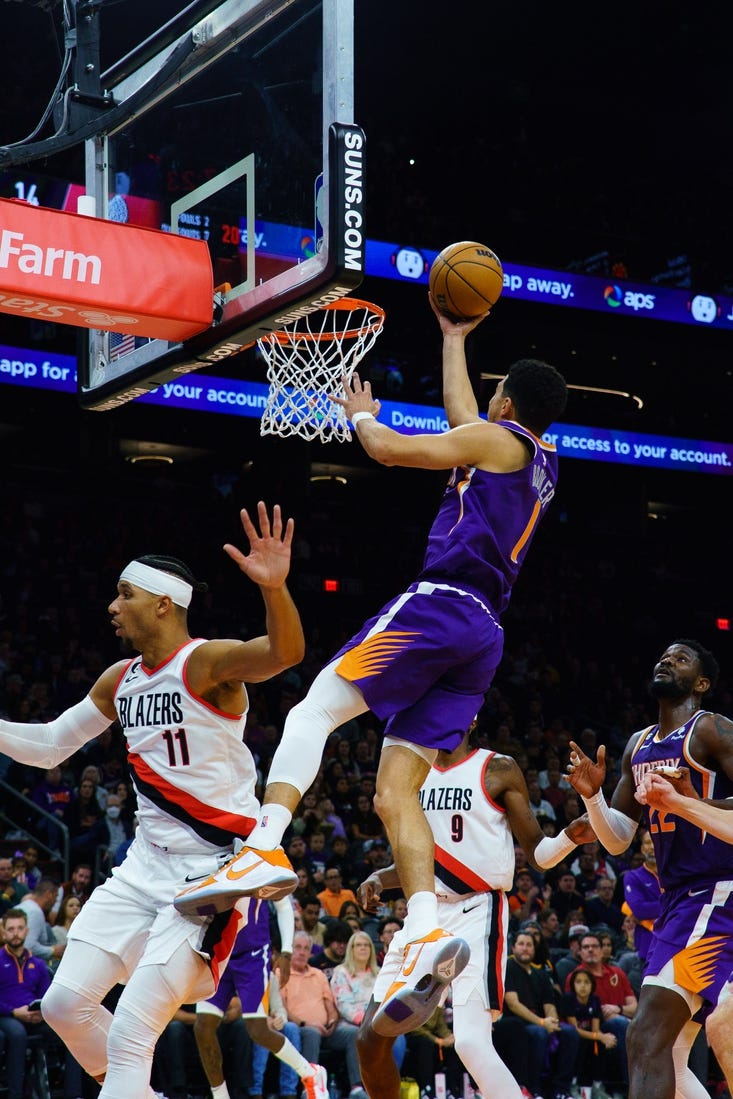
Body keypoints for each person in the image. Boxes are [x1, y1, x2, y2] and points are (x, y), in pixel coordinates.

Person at [176, 302, 569, 1036]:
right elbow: (463, 416)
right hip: (482, 634)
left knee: (311, 710)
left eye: (492, 396)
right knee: (395, 793)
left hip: (441, 603)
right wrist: (454, 338)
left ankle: (262, 842)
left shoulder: (493, 437)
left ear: (506, 402)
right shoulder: (535, 458)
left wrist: (361, 415)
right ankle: (423, 923)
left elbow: (391, 450)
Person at [0, 502, 305, 1099]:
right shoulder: (121, 679)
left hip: (211, 873)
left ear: (164, 603)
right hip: (142, 866)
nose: (113, 607)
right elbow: (51, 746)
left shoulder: (207, 663)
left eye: (125, 595)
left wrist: (275, 587)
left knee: (133, 1032)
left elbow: (284, 653)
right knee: (63, 1005)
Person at [353, 724, 592, 1099]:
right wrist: (379, 879)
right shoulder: (411, 771)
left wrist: (568, 838)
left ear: (473, 716)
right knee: (369, 1041)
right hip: (424, 916)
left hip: (477, 910)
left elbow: (538, 854)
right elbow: (419, 858)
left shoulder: (498, 768)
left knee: (470, 1042)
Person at [567, 638, 733, 1099]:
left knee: (651, 1036)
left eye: (680, 659)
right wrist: (592, 797)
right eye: (663, 655)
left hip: (719, 890)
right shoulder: (637, 745)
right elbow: (618, 837)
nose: (666, 660)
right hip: (680, 899)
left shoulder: (711, 730)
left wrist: (686, 802)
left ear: (701, 683)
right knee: (657, 1050)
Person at [634, 763, 733, 1092]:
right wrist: (685, 798)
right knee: (668, 1045)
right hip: (686, 905)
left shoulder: (712, 731)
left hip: (710, 901)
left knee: (721, 1027)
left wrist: (678, 801)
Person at [194, 897, 328, 1099]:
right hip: (219, 952)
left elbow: (283, 904)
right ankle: (220, 1096)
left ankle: (310, 1072)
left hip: (253, 954)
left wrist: (286, 952)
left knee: (258, 1030)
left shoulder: (264, 864)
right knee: (202, 1026)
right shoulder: (210, 864)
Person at [280, 930, 368, 1099]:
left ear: (310, 952)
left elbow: (330, 1003)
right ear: (290, 950)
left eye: (306, 948)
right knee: (312, 1034)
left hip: (327, 1029)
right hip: (300, 1029)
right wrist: (306, 1024)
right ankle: (310, 1087)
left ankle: (357, 1087)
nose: (301, 952)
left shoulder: (318, 974)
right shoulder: (282, 974)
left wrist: (333, 1021)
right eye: (297, 947)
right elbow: (284, 1010)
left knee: (353, 1034)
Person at [504, 930, 581, 1099]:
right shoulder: (508, 967)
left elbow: (549, 1004)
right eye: (521, 944)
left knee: (570, 1033)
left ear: (534, 948)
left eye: (529, 945)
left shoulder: (541, 974)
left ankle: (561, 1089)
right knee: (538, 1033)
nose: (525, 948)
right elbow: (513, 1004)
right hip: (516, 1023)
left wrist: (552, 1022)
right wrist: (541, 1022)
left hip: (541, 1021)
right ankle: (533, 1088)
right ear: (513, 947)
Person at [560, 968, 617, 1099]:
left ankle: (597, 1086)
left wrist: (605, 1038)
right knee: (585, 1041)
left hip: (588, 1036)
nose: (583, 986)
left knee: (602, 1043)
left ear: (592, 985)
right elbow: (575, 1030)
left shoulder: (595, 999)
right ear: (573, 985)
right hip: (567, 1036)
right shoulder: (568, 999)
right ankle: (573, 1085)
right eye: (578, 982)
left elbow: (595, 1030)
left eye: (586, 982)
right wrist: (601, 1037)